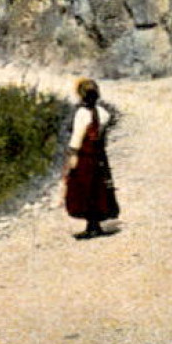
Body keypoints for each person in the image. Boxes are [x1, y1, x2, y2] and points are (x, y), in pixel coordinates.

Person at [63, 77, 119, 239]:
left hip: (85, 156)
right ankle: (97, 222)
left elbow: (77, 138)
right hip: (99, 155)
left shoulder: (81, 114)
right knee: (99, 188)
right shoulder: (103, 113)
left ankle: (91, 226)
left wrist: (72, 156)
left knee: (83, 188)